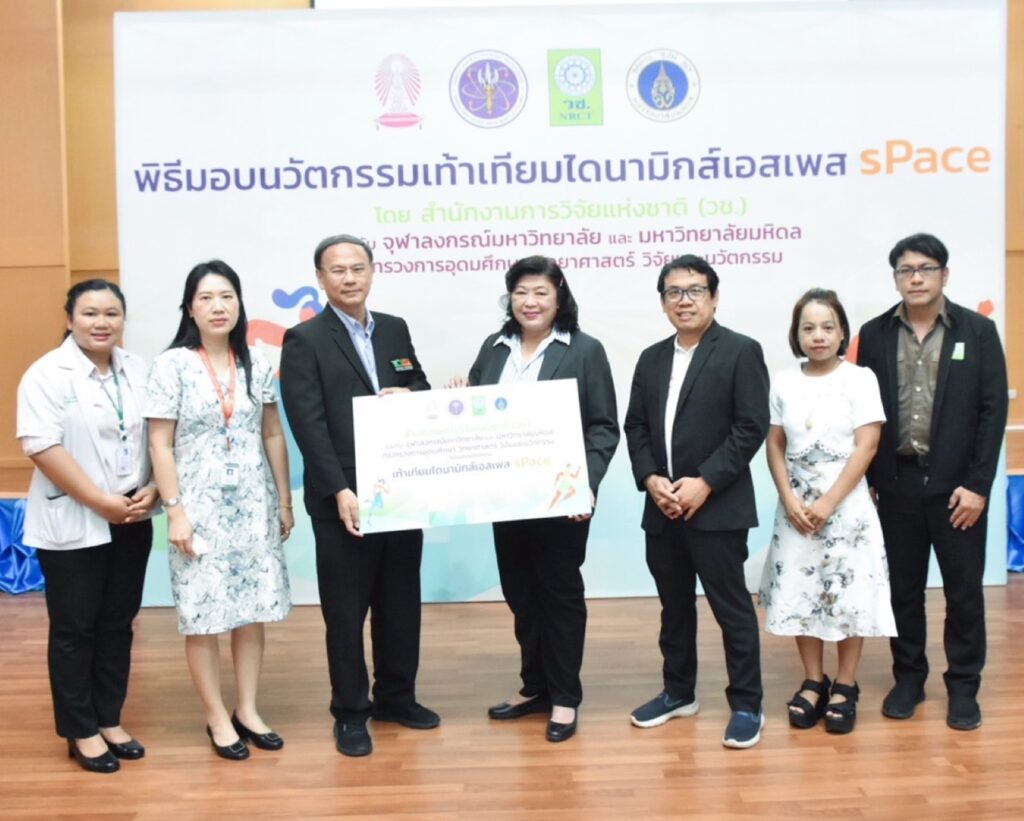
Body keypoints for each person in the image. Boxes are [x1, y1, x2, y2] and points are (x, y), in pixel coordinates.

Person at [279, 234, 437, 758]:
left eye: (358, 268)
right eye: (338, 270)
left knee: (400, 603)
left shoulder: (394, 328)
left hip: (400, 489)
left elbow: (421, 387)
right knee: (346, 613)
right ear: (320, 278)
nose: (349, 278)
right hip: (343, 497)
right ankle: (350, 712)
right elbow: (307, 424)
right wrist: (339, 489)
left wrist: (409, 394)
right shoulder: (304, 339)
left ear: (372, 272)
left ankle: (397, 697)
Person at [856, 233, 1008, 731]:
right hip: (896, 483)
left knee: (963, 593)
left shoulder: (977, 331)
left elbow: (992, 412)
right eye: (906, 270)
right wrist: (871, 478)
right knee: (903, 590)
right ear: (895, 278)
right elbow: (865, 412)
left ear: (945, 274)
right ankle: (909, 679)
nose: (916, 278)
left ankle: (963, 687)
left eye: (926, 268)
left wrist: (978, 486)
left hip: (958, 490)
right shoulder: (874, 334)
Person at [465, 256, 619, 743]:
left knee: (559, 595)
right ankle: (536, 686)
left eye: (540, 293)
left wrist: (585, 485)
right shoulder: (494, 348)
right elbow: (476, 416)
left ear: (559, 298)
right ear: (509, 298)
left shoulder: (584, 350)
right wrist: (458, 404)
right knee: (520, 593)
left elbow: (603, 427)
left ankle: (565, 696)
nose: (529, 302)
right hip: (504, 499)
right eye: (521, 292)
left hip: (561, 500)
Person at [145, 261, 293, 761]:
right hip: (197, 509)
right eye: (206, 298)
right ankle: (216, 716)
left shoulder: (256, 362)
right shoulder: (171, 366)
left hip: (253, 504)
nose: (217, 306)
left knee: (251, 612)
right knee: (203, 616)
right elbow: (160, 445)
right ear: (190, 308)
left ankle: (247, 709)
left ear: (239, 304)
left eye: (226, 296)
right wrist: (175, 511)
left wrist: (284, 500)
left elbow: (272, 433)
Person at [624, 254, 769, 749]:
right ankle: (678, 692)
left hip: (718, 507)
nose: (684, 301)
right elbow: (636, 426)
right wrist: (650, 478)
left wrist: (704, 482)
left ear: (714, 296)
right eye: (673, 292)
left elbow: (750, 426)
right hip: (662, 507)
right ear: (663, 301)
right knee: (674, 608)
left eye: (694, 291)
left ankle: (746, 704)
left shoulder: (741, 351)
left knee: (732, 609)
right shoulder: (651, 358)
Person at [16, 280, 160, 773]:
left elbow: (158, 436)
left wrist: (153, 488)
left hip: (131, 515)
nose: (102, 323)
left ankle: (109, 718)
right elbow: (41, 446)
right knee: (75, 628)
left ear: (123, 320)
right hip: (75, 517)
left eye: (112, 313)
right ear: (70, 318)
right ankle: (80, 729)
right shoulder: (46, 374)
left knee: (118, 623)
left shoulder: (137, 369)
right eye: (90, 313)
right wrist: (99, 501)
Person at [758, 289, 897, 734]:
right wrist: (789, 498)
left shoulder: (861, 379)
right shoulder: (783, 381)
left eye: (827, 327)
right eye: (808, 328)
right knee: (802, 592)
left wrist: (829, 502)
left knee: (848, 593)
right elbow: (774, 444)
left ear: (841, 334)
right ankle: (813, 681)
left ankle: (846, 684)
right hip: (796, 508)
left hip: (847, 506)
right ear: (796, 335)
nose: (817, 336)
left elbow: (868, 445)